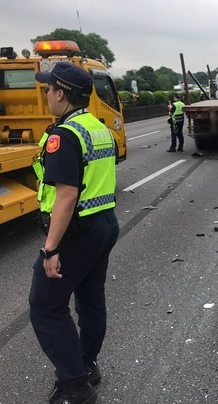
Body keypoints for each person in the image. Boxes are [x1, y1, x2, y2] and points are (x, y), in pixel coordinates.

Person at [30, 62, 120, 404]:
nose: (46, 95)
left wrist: (50, 249)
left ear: (61, 93)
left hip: (76, 230)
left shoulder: (64, 135)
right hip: (103, 224)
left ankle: (75, 386)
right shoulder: (96, 127)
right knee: (90, 297)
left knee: (46, 306)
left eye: (48, 89)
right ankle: (86, 363)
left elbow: (66, 195)